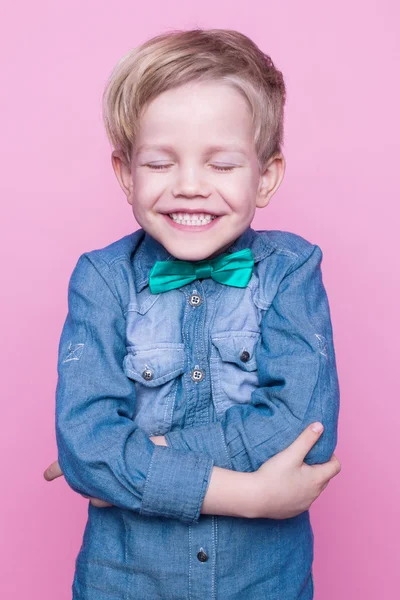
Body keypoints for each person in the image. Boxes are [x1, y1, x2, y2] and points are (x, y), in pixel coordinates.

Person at [44, 28, 341, 599]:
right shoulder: (101, 280)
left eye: (221, 166)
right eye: (160, 163)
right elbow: (87, 446)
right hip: (126, 584)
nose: (189, 187)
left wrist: (131, 466)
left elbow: (306, 432)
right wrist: (251, 495)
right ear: (127, 174)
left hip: (264, 584)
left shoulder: (291, 269)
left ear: (267, 176)